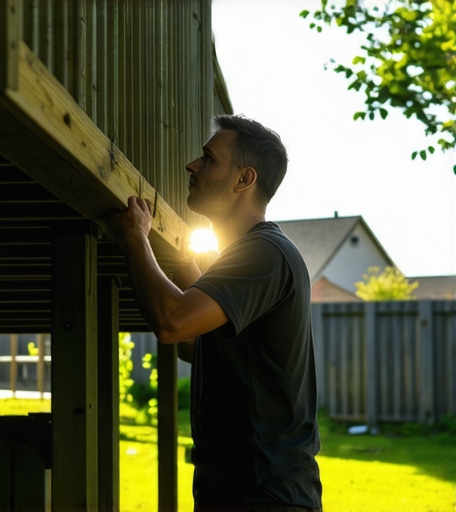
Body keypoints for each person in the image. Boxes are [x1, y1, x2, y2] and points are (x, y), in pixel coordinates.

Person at [106, 114, 323, 512]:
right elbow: (193, 342)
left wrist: (136, 239)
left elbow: (174, 323)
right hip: (239, 493)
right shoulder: (248, 255)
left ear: (244, 180)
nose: (191, 165)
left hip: (264, 497)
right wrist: (184, 264)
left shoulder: (265, 253)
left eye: (207, 158)